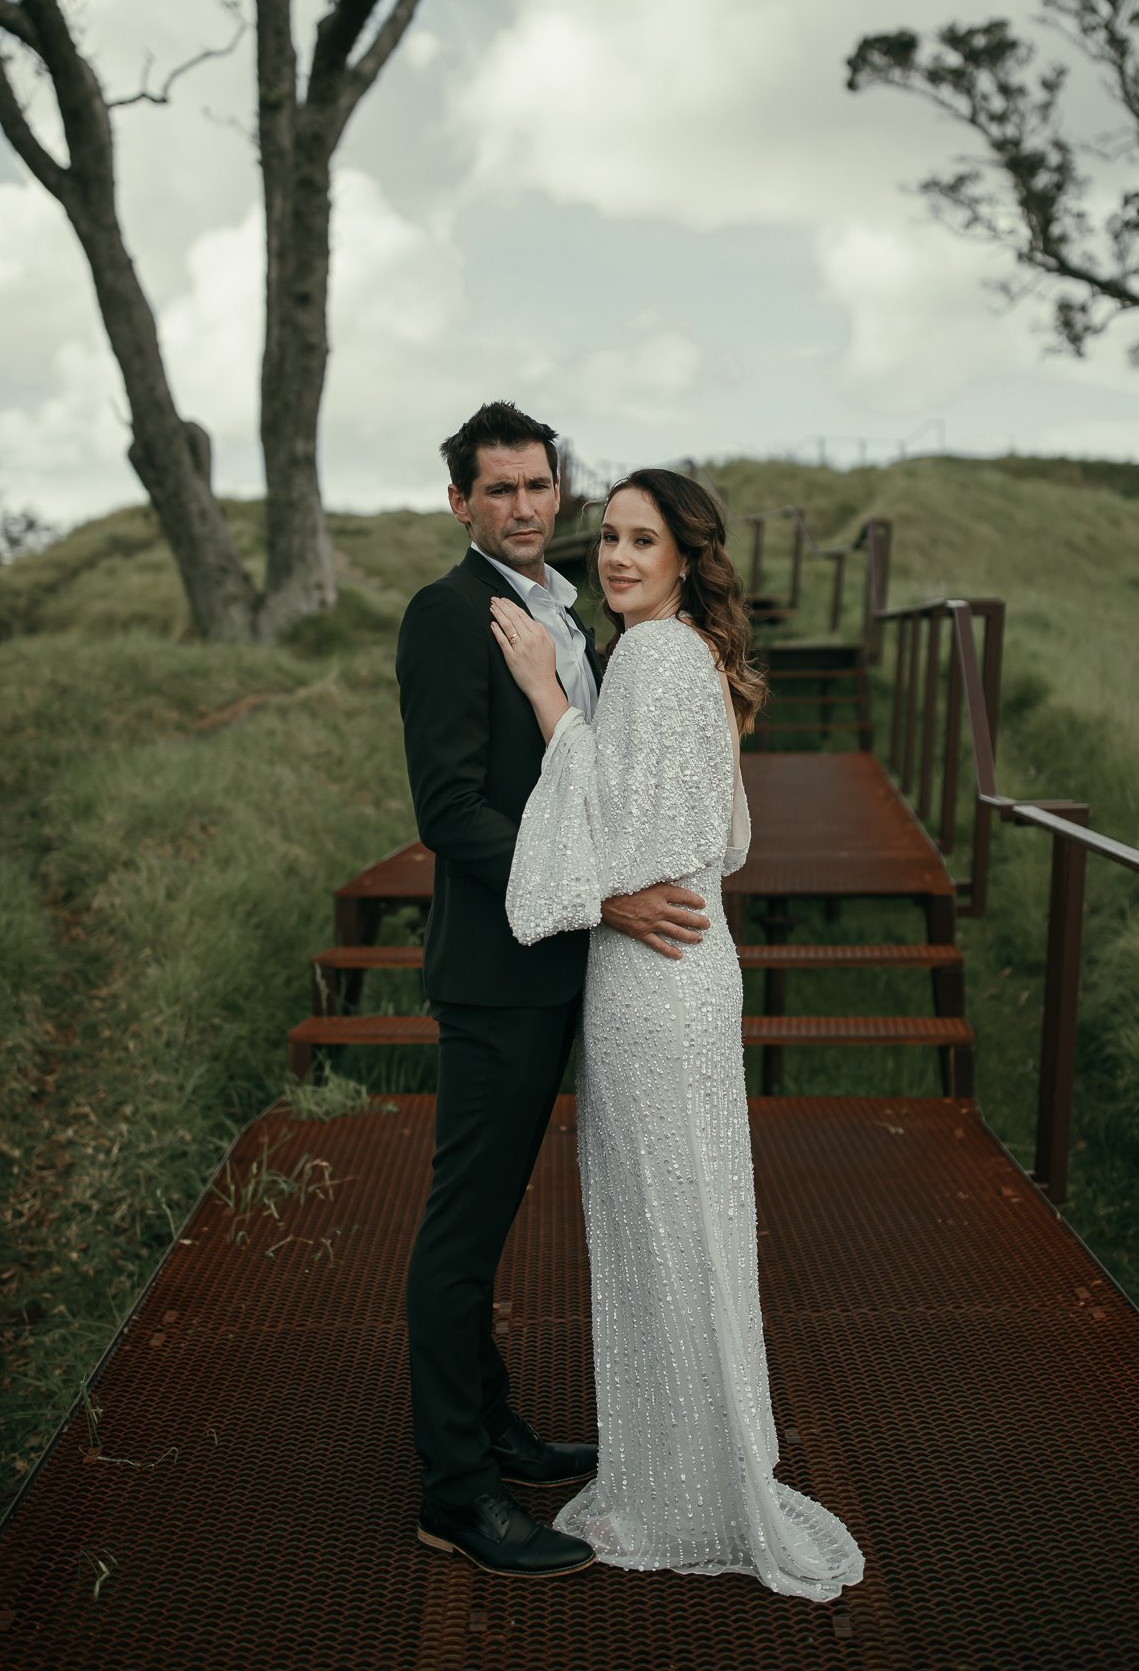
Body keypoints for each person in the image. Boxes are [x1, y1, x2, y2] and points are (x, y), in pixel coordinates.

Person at [492, 468, 867, 1601]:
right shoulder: (697, 655)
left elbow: (616, 826)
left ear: (685, 556)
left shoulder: (649, 657)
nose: (612, 556)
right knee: (695, 1213)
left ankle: (673, 1488)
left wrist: (547, 692)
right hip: (697, 966)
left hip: (647, 971)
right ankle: (706, 1456)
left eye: (639, 539)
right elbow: (729, 833)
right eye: (603, 535)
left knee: (657, 1219)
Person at [395, 403, 714, 1581]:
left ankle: (496, 1428)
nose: (524, 507)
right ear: (461, 503)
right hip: (499, 975)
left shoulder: (573, 613)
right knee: (463, 1232)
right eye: (499, 490)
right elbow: (451, 809)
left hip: (571, 968)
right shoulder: (445, 615)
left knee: (496, 1217)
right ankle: (456, 1489)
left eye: (538, 487)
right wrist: (601, 898)